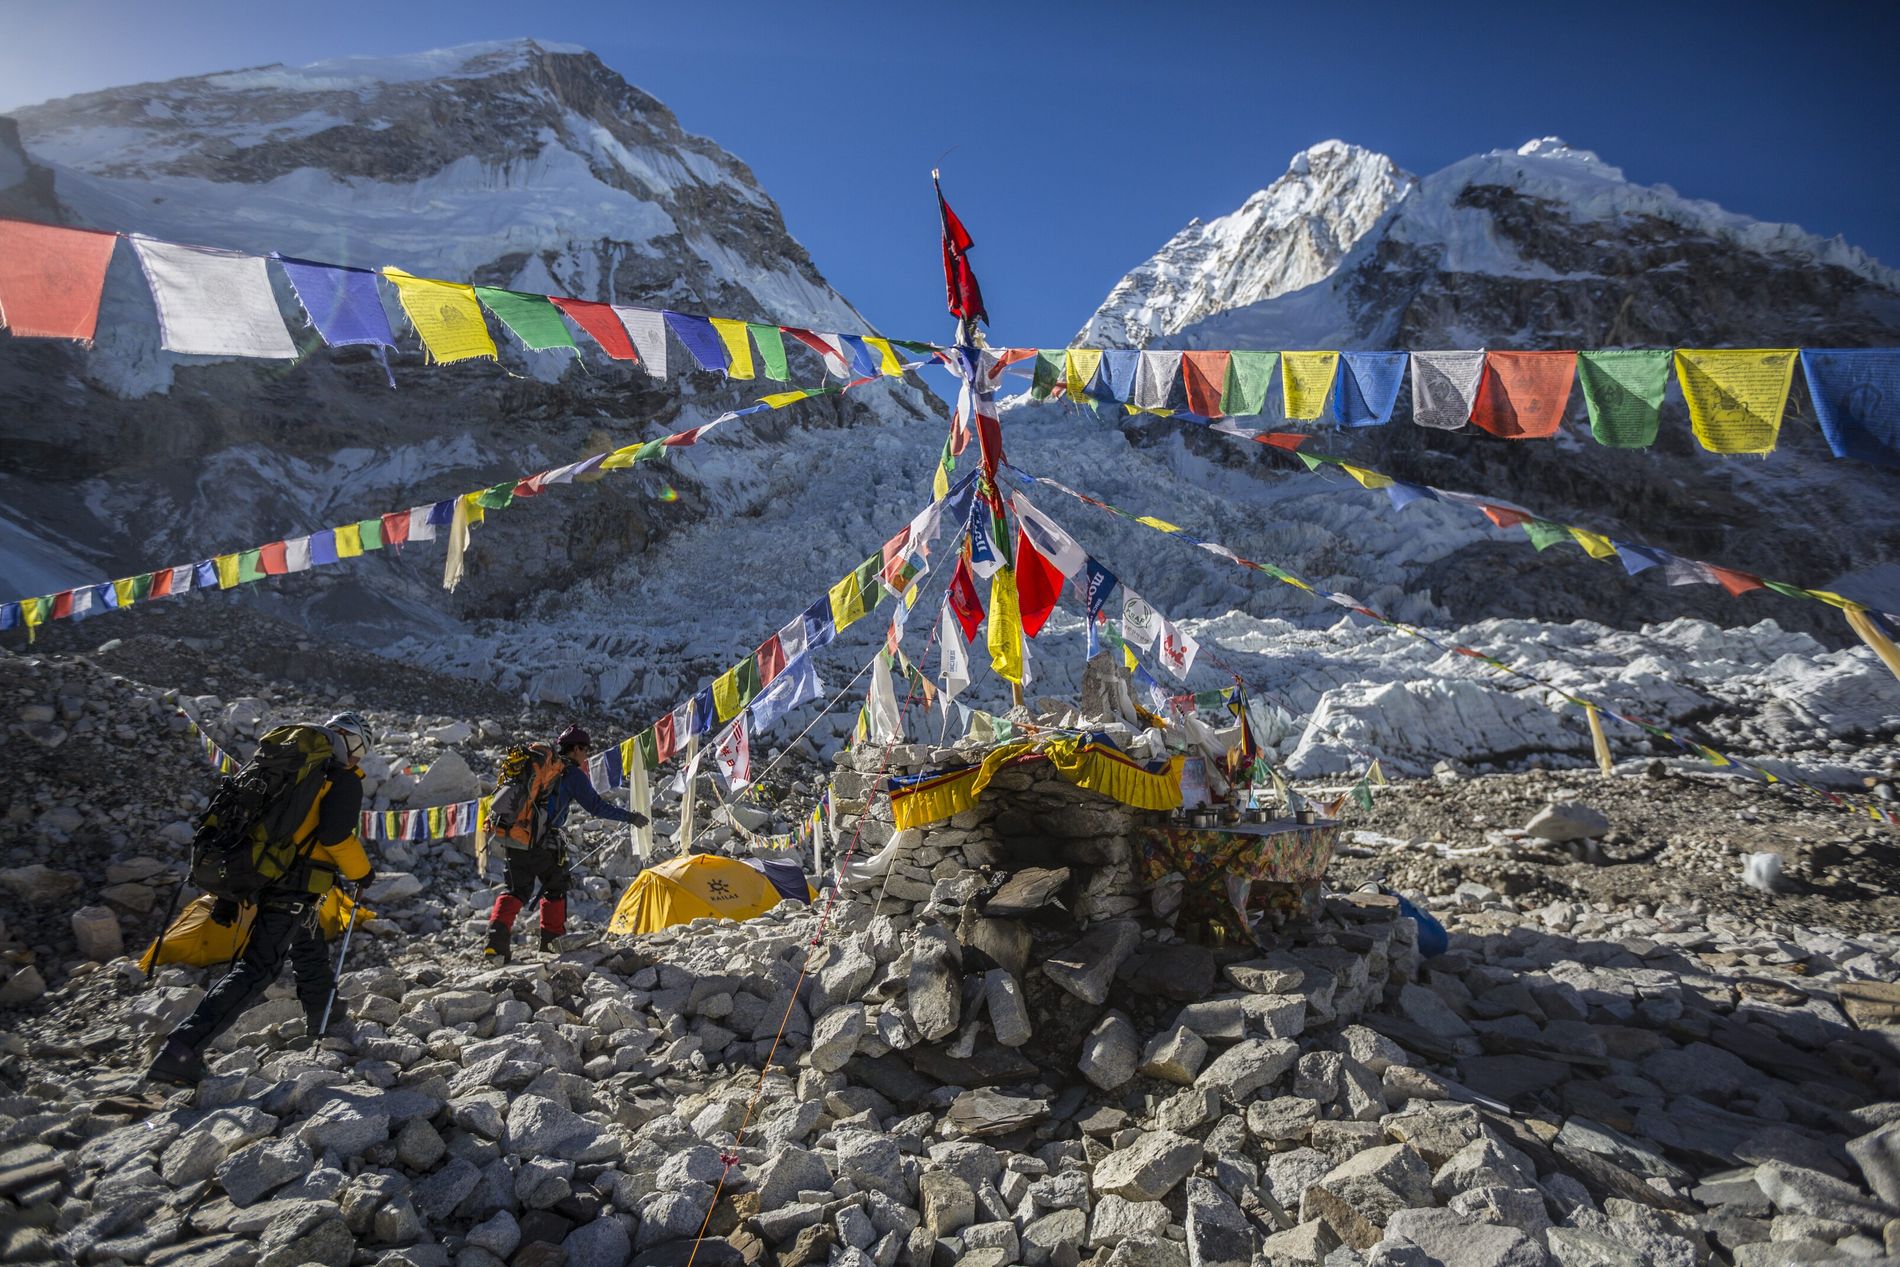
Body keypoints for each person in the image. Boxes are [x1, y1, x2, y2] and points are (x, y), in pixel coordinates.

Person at [147, 712, 377, 1086]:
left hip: (261, 871)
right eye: (360, 752)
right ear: (352, 744)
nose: (357, 760)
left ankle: (325, 1013)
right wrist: (362, 873)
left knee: (307, 940)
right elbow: (336, 838)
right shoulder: (340, 780)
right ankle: (180, 1050)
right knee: (258, 967)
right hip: (294, 881)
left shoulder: (282, 769)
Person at [485, 724, 646, 962]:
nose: (586, 756)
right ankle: (551, 942)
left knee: (516, 890)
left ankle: (494, 946)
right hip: (540, 840)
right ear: (576, 749)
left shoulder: (539, 768)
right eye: (585, 750)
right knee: (556, 885)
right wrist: (630, 817)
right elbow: (596, 807)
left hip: (515, 836)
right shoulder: (569, 774)